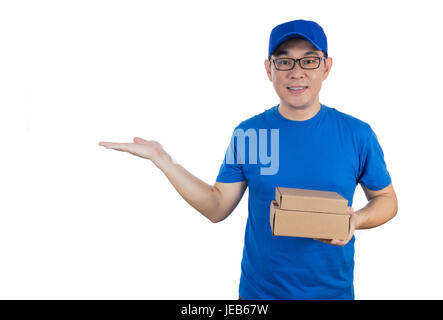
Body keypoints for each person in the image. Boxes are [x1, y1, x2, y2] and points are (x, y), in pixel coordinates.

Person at [98, 19, 398, 300]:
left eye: (309, 60)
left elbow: (386, 200)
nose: (296, 72)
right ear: (269, 69)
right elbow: (216, 207)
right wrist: (162, 159)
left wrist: (356, 219)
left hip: (332, 293)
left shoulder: (357, 134)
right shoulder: (250, 134)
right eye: (284, 61)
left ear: (326, 67)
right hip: (259, 295)